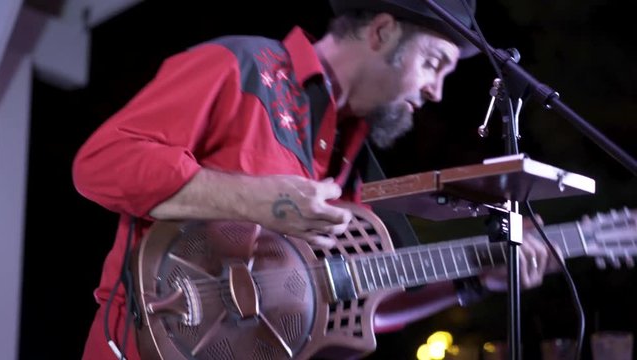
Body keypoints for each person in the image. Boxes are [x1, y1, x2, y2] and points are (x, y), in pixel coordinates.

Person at [72, 0, 555, 359]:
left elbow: (346, 315)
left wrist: (475, 281)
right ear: (382, 31)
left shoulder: (352, 151)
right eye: (433, 64)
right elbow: (101, 164)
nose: (436, 91)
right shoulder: (242, 66)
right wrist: (252, 199)